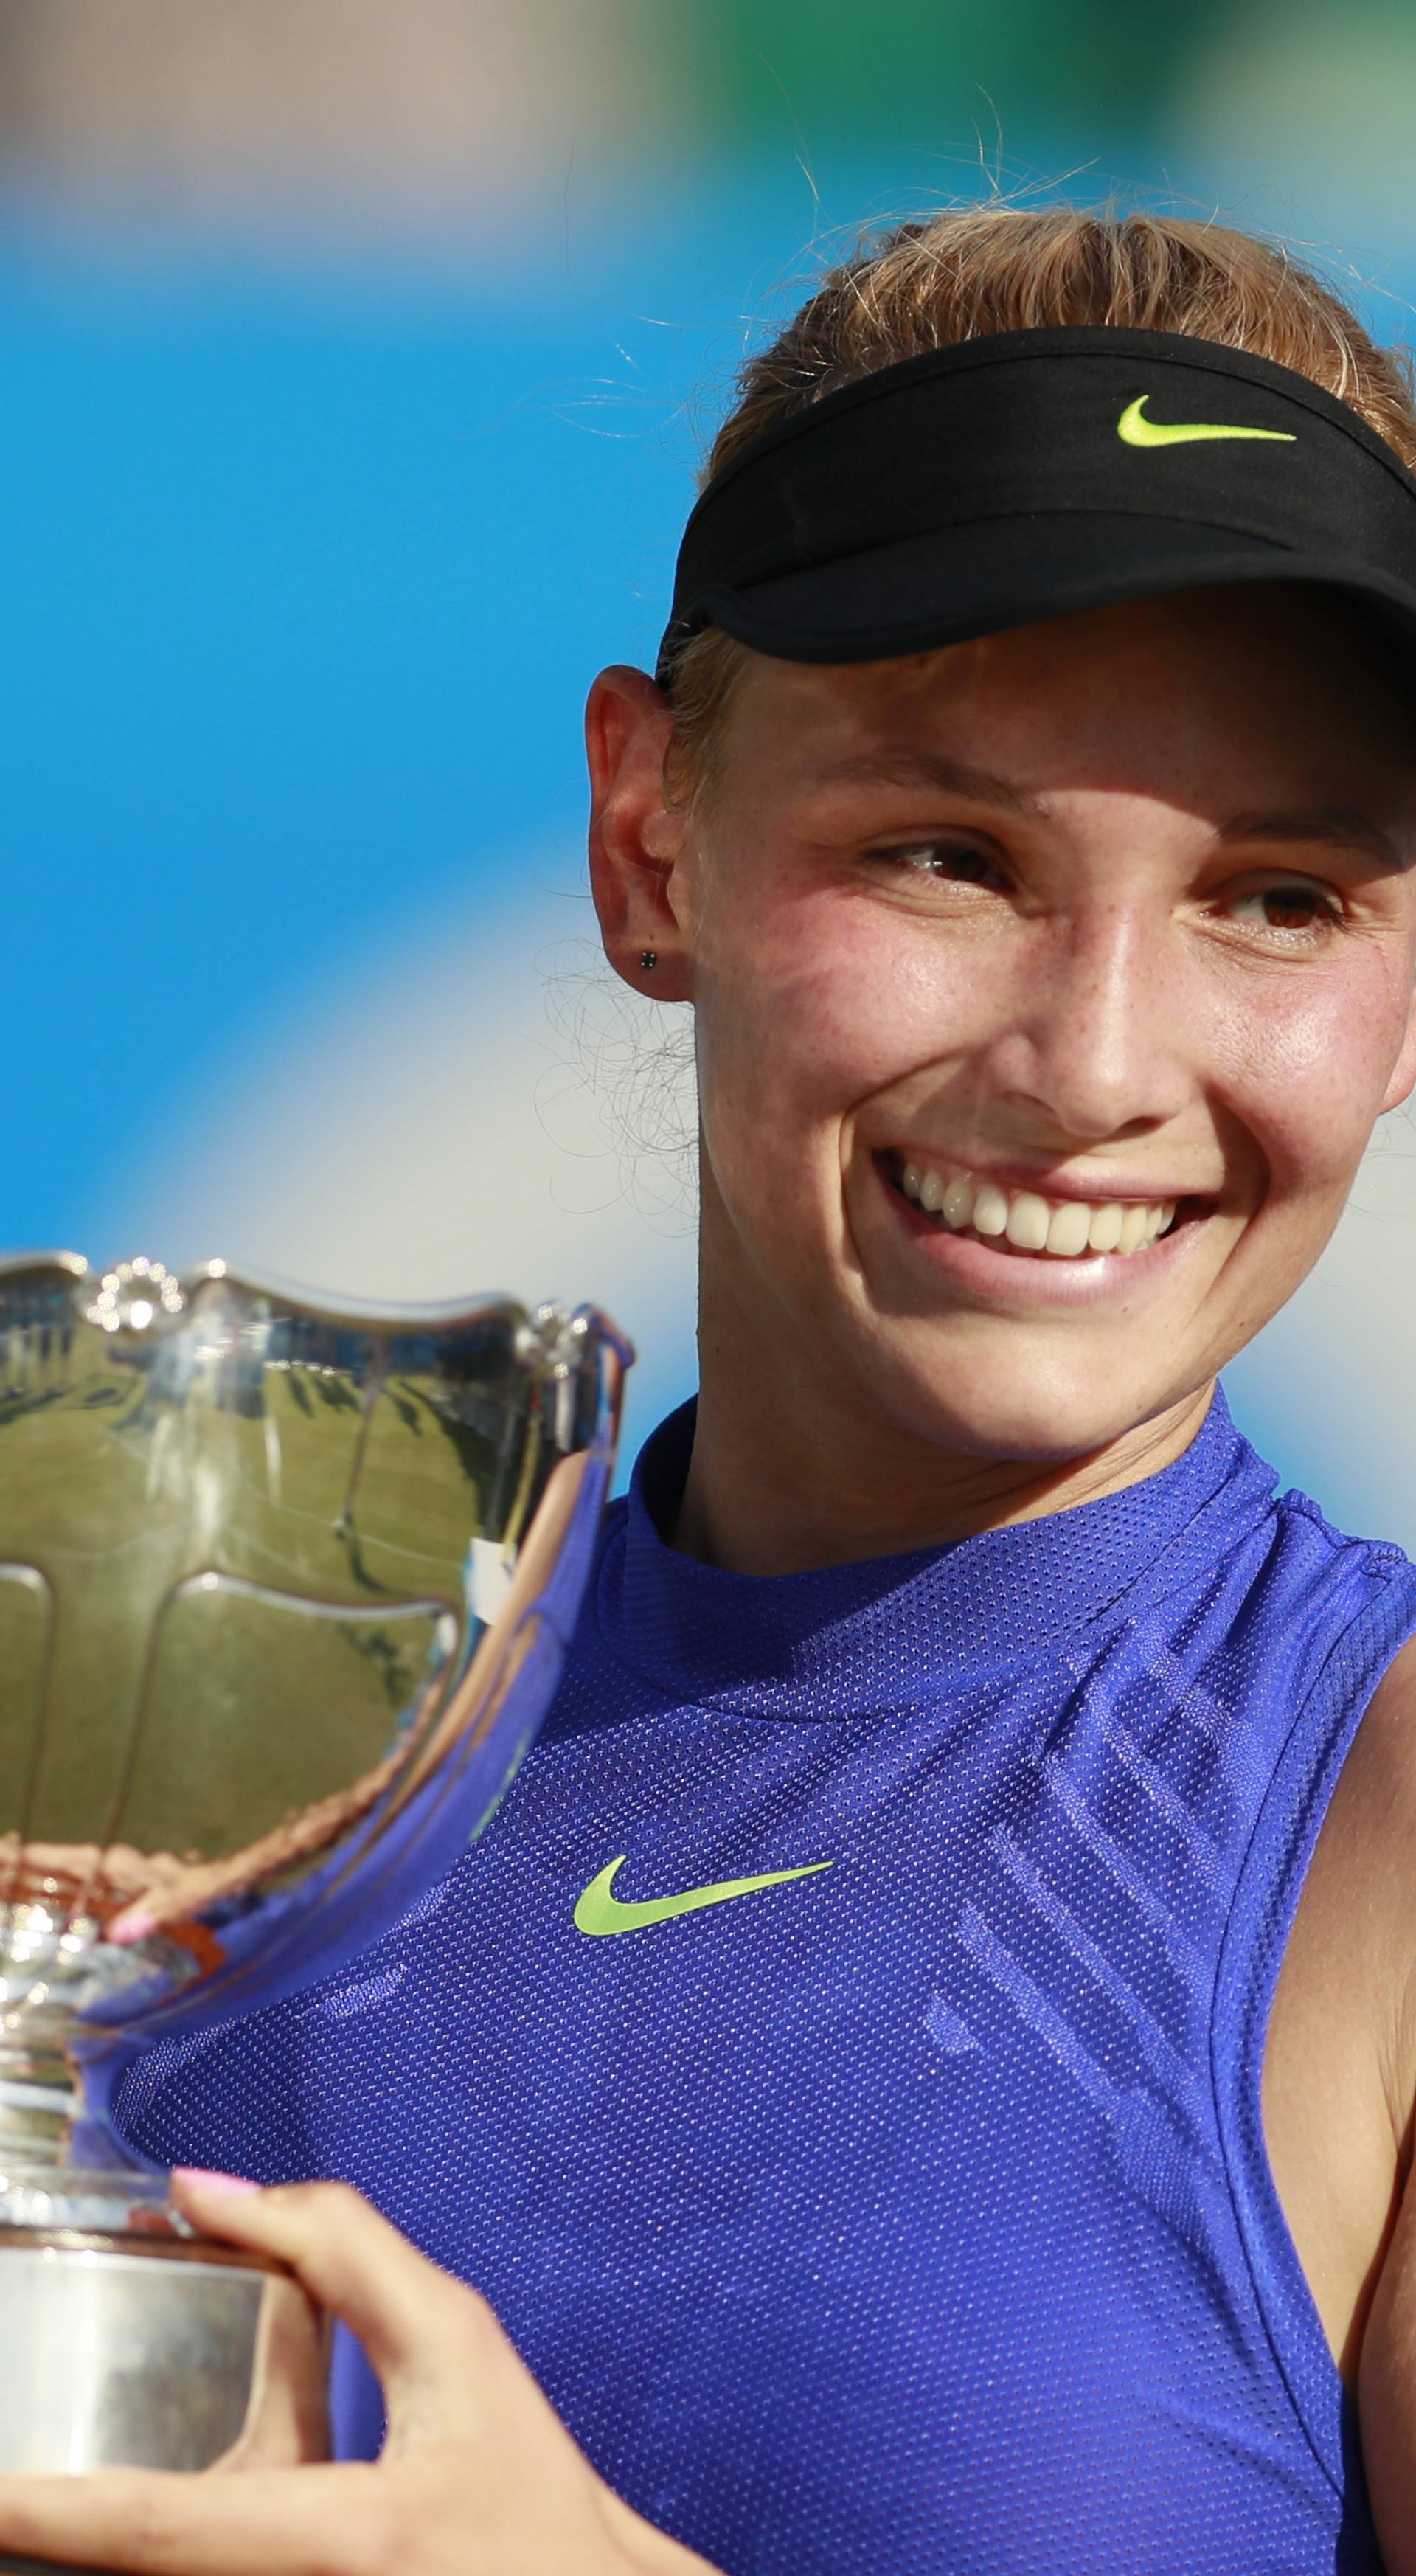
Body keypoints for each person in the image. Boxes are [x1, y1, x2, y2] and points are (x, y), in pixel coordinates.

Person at [8, 201, 1416, 2575]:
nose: (1093, 1065)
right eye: (947, 854)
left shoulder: (1371, 1812)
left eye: (1281, 895)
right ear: (650, 836)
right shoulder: (232, 1770)